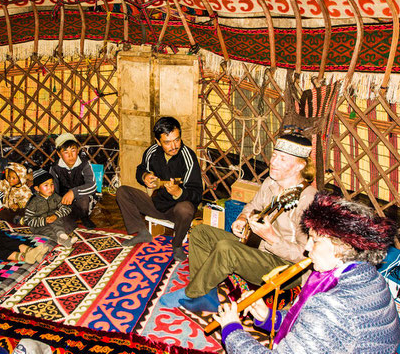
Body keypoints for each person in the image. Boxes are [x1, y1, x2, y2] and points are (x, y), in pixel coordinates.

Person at [215, 192, 400, 353]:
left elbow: (326, 321)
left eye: (314, 240)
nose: (307, 248)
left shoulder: (334, 306)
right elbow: (314, 331)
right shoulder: (370, 277)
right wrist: (269, 316)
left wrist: (231, 329)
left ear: (341, 247)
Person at [160, 132, 317, 311]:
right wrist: (242, 219)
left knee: (226, 249)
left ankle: (191, 292)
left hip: (286, 267)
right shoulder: (270, 182)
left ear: (300, 165)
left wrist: (273, 239)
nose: (273, 162)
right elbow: (252, 205)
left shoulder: (307, 200)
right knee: (200, 232)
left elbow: (306, 257)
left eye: (282, 159)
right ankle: (206, 295)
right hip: (257, 247)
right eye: (274, 155)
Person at [116, 116, 203, 261]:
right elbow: (141, 169)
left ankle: (177, 245)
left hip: (176, 211)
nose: (174, 146)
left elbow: (196, 194)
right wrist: (144, 176)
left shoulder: (188, 157)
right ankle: (141, 232)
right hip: (156, 205)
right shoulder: (152, 152)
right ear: (158, 142)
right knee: (122, 192)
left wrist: (179, 193)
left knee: (186, 208)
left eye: (177, 140)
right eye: (167, 142)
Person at [50, 133, 97, 229]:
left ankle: (85, 217)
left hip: (82, 200)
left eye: (73, 150)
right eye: (66, 152)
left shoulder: (84, 164)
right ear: (59, 154)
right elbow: (53, 190)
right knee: (65, 224)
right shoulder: (54, 168)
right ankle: (70, 219)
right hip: (65, 201)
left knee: (84, 200)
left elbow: (92, 185)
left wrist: (74, 192)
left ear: (78, 150)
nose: (70, 155)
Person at [20, 171, 77, 248]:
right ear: (37, 188)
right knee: (47, 231)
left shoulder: (55, 197)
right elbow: (28, 220)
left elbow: (67, 208)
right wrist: (44, 220)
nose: (50, 188)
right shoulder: (33, 202)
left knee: (60, 223)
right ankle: (62, 241)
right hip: (40, 225)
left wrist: (56, 215)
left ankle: (61, 234)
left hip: (54, 220)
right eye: (46, 185)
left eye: (52, 184)